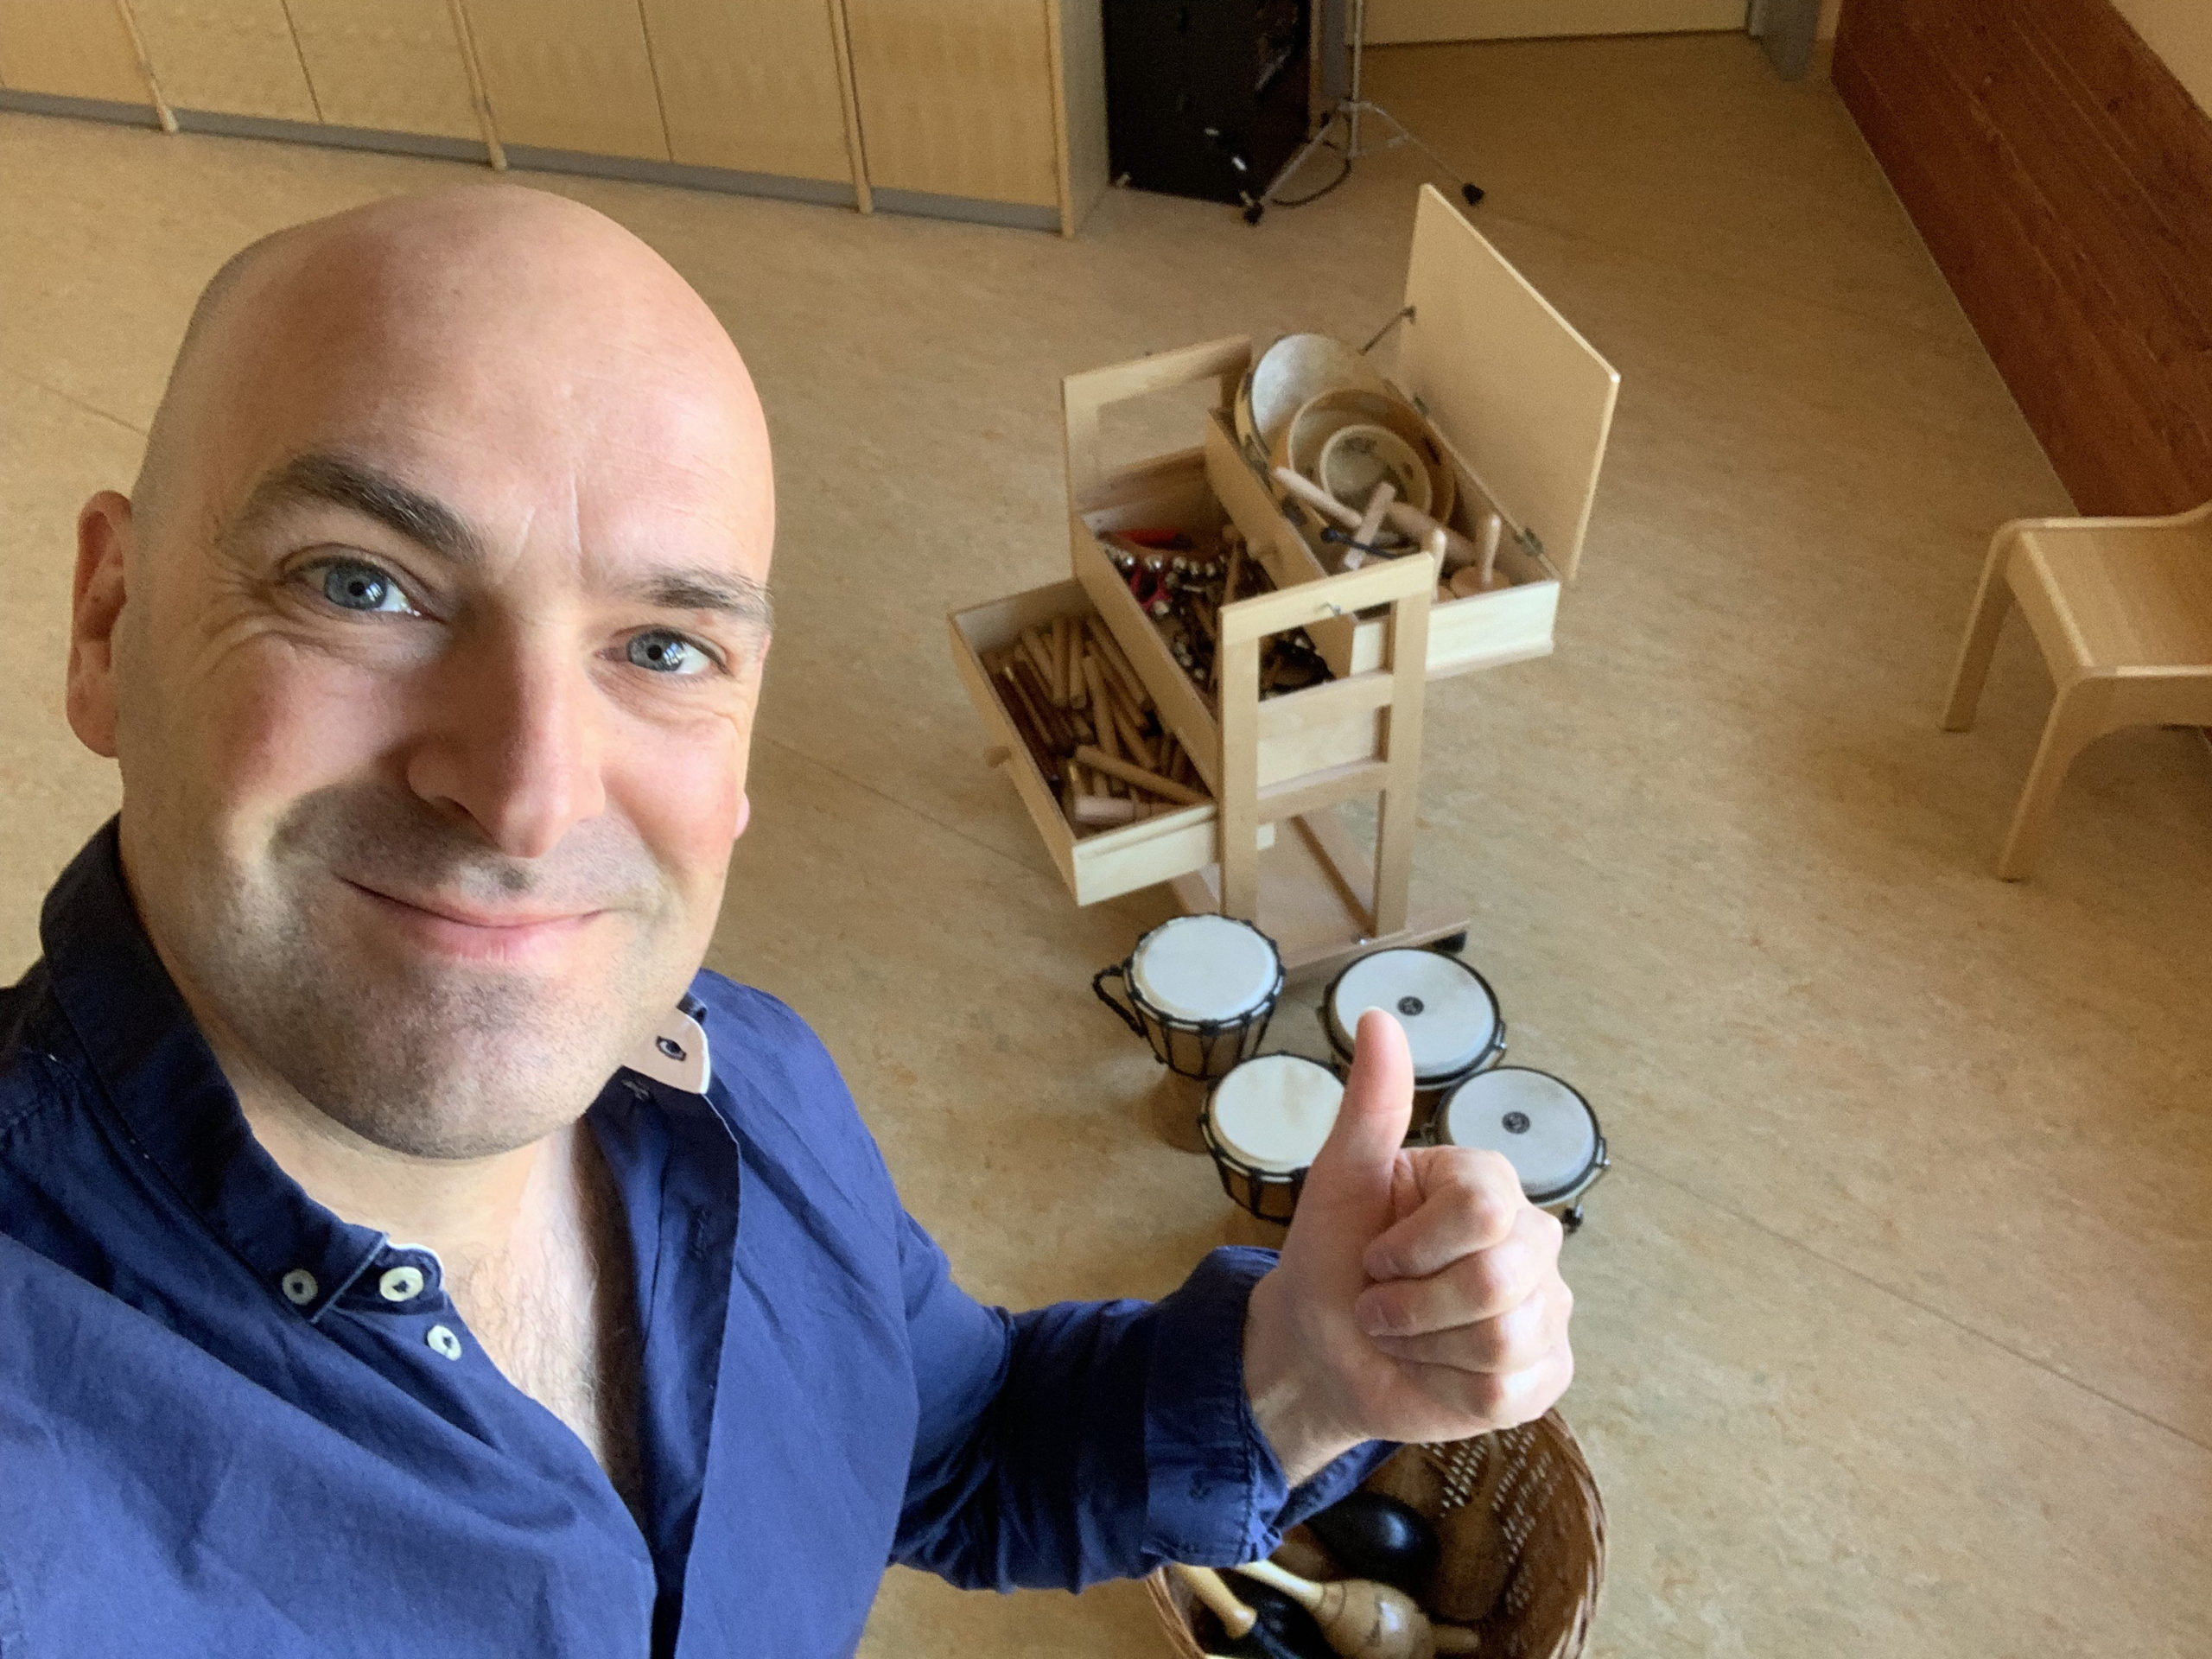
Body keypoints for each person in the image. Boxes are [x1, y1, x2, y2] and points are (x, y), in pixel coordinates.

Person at [0, 187, 1573, 1657]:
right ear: (107, 622)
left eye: (661, 647)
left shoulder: (742, 1085)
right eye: (361, 584)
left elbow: (942, 1447)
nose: (533, 796)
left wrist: (1297, 1373)